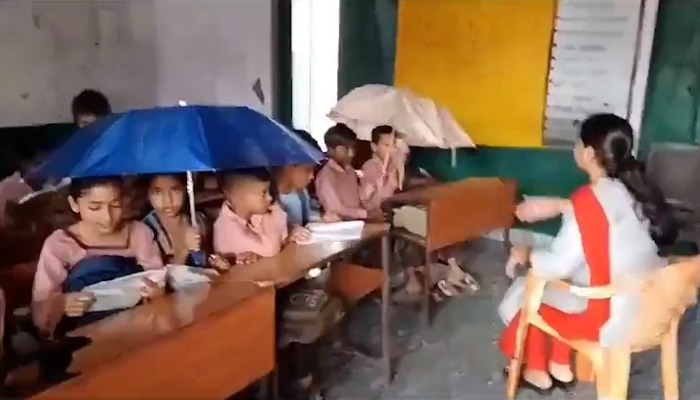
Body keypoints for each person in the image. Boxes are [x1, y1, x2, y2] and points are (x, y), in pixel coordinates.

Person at [498, 113, 677, 394]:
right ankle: (560, 366)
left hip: (610, 317)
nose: (575, 150)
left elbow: (558, 265)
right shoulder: (629, 190)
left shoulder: (589, 197)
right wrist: (561, 206)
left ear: (589, 153)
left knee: (529, 291)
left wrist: (526, 252)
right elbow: (601, 225)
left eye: (577, 144)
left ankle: (536, 370)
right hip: (652, 303)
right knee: (573, 284)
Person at [31, 176, 166, 381]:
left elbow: (157, 276)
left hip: (138, 328)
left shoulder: (138, 232)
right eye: (95, 207)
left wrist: (157, 291)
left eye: (115, 205)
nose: (108, 216)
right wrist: (61, 304)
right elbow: (40, 308)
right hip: (83, 338)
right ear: (74, 204)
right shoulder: (60, 244)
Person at [213, 168, 309, 262]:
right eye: (263, 193)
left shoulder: (252, 215)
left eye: (268, 192)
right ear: (240, 197)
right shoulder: (229, 229)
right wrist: (277, 217)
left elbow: (281, 237)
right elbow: (271, 250)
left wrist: (291, 232)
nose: (270, 198)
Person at [141, 174, 229, 269]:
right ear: (147, 194)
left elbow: (205, 260)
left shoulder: (199, 221)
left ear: (186, 189)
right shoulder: (145, 231)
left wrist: (215, 262)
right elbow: (157, 277)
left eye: (175, 191)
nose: (168, 201)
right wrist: (184, 250)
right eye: (157, 192)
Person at [315, 124, 382, 221]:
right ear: (330, 150)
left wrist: (373, 210)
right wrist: (365, 214)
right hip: (341, 227)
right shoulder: (325, 176)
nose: (351, 154)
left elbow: (362, 198)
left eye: (352, 148)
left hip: (359, 221)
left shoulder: (350, 170)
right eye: (345, 149)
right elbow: (335, 209)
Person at [359, 125, 404, 212]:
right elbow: (365, 200)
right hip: (378, 211)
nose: (391, 149)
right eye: (386, 145)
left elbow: (399, 187)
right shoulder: (370, 167)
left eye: (393, 144)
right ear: (374, 147)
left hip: (394, 207)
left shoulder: (394, 164)